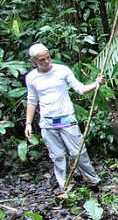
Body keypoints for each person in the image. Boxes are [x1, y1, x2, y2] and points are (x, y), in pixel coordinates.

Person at [24, 43, 103, 191]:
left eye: (48, 58)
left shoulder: (62, 71)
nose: (47, 61)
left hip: (66, 118)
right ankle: (66, 187)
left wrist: (96, 84)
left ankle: (93, 181)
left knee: (78, 152)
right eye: (42, 60)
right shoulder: (31, 78)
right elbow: (32, 100)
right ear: (34, 62)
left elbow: (80, 89)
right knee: (58, 156)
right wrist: (28, 123)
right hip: (48, 122)